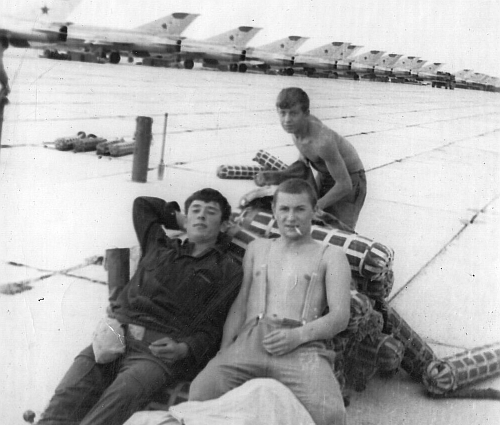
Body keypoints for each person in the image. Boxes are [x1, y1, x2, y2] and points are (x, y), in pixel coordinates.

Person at [36, 189, 243, 425]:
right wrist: (180, 219)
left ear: (224, 224)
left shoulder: (227, 268)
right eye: (195, 210)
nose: (201, 216)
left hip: (155, 353)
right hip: (115, 333)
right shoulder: (159, 245)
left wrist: (184, 349)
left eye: (210, 212)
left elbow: (216, 327)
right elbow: (143, 205)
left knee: (115, 403)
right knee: (66, 397)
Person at [189, 179, 351, 425]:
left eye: (299, 209)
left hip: (301, 346)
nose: (291, 217)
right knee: (201, 392)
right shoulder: (258, 248)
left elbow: (340, 317)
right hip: (251, 340)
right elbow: (241, 303)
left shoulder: (331, 256)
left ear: (315, 212)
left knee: (331, 415)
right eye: (284, 209)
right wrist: (224, 350)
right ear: (274, 211)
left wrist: (297, 336)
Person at [255, 87, 366, 231]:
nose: (287, 120)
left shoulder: (322, 141)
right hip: (326, 175)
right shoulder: (296, 128)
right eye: (282, 113)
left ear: (306, 114)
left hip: (350, 180)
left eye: (293, 113)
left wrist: (314, 206)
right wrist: (276, 176)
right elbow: (304, 161)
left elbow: (345, 185)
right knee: (313, 225)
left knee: (337, 231)